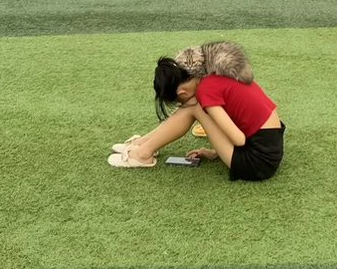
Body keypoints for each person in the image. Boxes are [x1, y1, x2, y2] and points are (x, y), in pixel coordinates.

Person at [108, 56, 285, 181]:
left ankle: (143, 152)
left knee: (194, 107)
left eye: (179, 101)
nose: (181, 104)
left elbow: (239, 140)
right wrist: (217, 151)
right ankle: (143, 144)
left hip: (257, 163)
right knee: (194, 105)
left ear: (181, 92)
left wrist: (221, 148)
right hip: (267, 147)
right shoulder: (212, 74)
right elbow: (243, 119)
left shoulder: (205, 91)